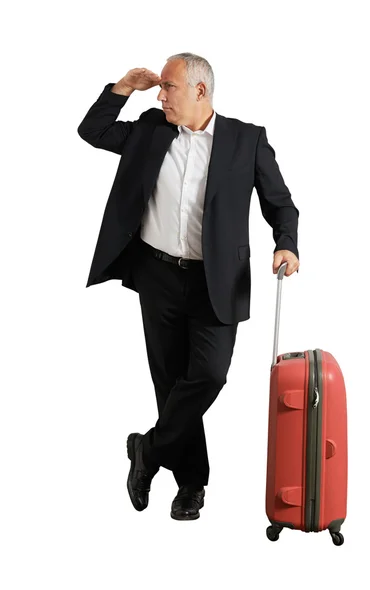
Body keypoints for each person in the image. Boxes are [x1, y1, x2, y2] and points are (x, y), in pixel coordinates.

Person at [77, 52, 300, 521]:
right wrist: (122, 88)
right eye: (160, 89)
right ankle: (191, 485)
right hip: (157, 275)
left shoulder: (247, 140)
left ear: (200, 91)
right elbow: (92, 132)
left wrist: (287, 244)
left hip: (216, 280)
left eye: (169, 88)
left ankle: (148, 449)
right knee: (170, 383)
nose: (160, 96)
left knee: (209, 375)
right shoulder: (151, 130)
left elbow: (281, 203)